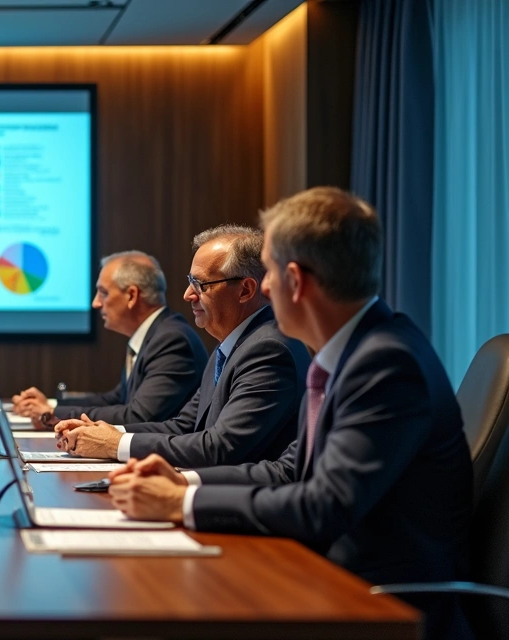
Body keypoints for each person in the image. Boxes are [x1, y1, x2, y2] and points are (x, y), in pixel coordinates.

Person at [108, 188, 473, 639]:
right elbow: (289, 470)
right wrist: (182, 483)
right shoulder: (350, 353)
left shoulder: (386, 363)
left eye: (270, 274)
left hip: (380, 605)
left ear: (296, 281)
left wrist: (181, 503)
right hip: (328, 579)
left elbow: (324, 506)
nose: (262, 287)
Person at [55, 226, 309, 468]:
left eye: (201, 284)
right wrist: (103, 432)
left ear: (245, 290)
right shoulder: (232, 345)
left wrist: (117, 444)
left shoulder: (268, 350)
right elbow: (184, 426)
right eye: (190, 281)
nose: (188, 294)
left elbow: (222, 447)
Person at [12, 251, 206, 426]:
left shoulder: (172, 340)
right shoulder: (154, 334)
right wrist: (50, 404)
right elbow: (116, 399)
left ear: (131, 296)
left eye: (103, 293)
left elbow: (138, 416)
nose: (95, 303)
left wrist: (52, 413)